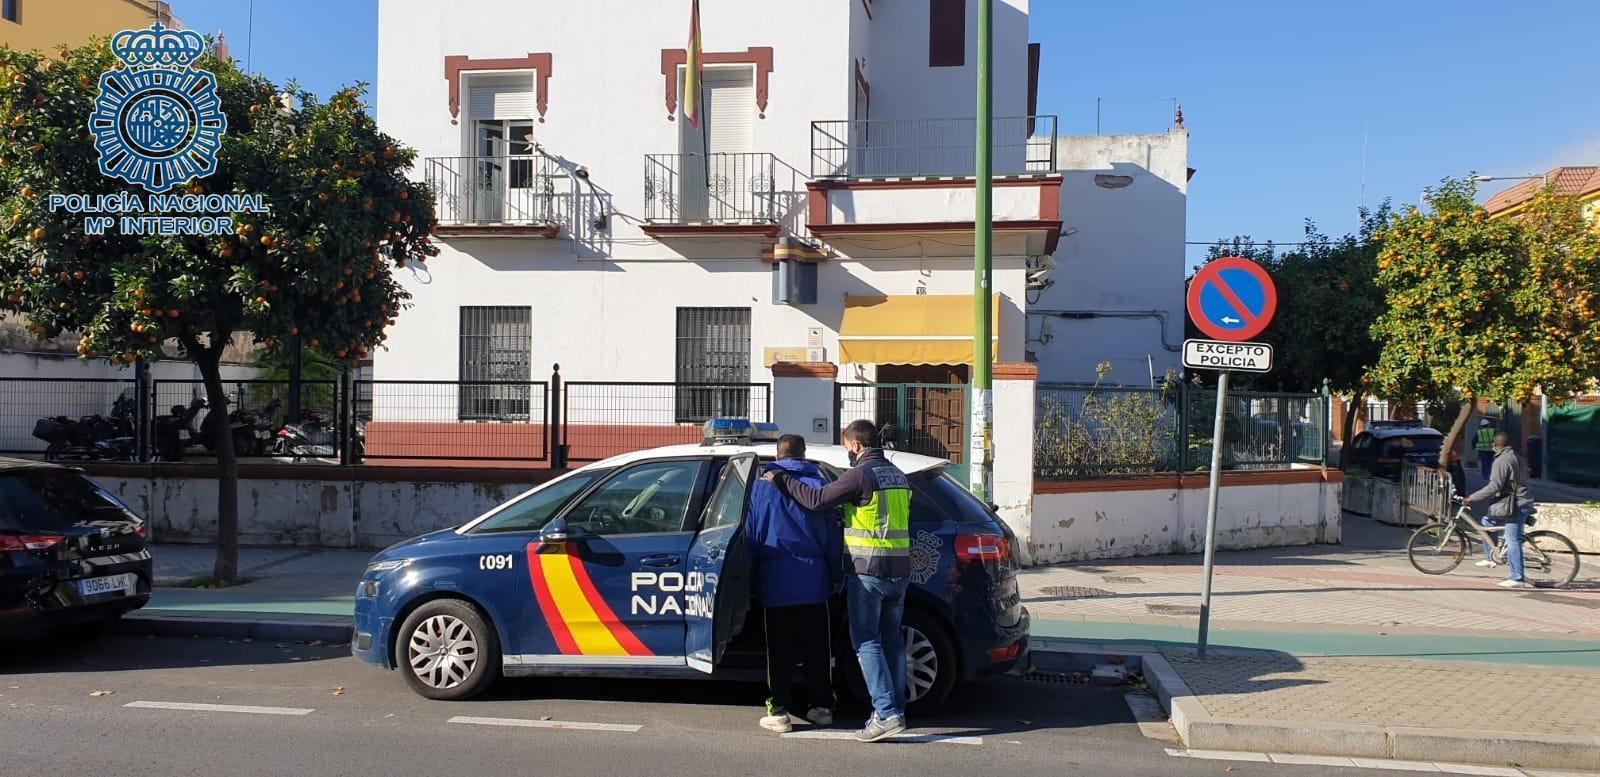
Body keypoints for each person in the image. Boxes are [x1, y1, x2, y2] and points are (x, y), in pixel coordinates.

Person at [764, 419, 911, 743]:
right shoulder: (898, 475)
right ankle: (896, 709)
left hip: (868, 569)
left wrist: (782, 479)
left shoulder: (860, 474)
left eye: (847, 447)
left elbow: (816, 500)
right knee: (892, 642)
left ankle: (886, 714)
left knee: (867, 642)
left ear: (857, 445)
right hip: (900, 570)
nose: (848, 454)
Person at [745, 434, 841, 734]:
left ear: (778, 454)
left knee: (779, 649)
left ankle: (780, 710)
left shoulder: (762, 487)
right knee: (817, 647)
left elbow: (751, 534)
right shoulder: (819, 484)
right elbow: (832, 536)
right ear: (803, 453)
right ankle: (823, 706)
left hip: (775, 579)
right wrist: (835, 573)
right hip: (814, 578)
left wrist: (749, 576)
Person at [1463, 432, 1535, 589]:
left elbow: (1494, 486)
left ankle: (1517, 577)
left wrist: (1472, 498)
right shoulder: (1516, 456)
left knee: (1512, 539)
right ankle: (1491, 557)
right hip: (1516, 501)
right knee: (1487, 522)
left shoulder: (1502, 460)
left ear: (1495, 446)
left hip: (1516, 504)